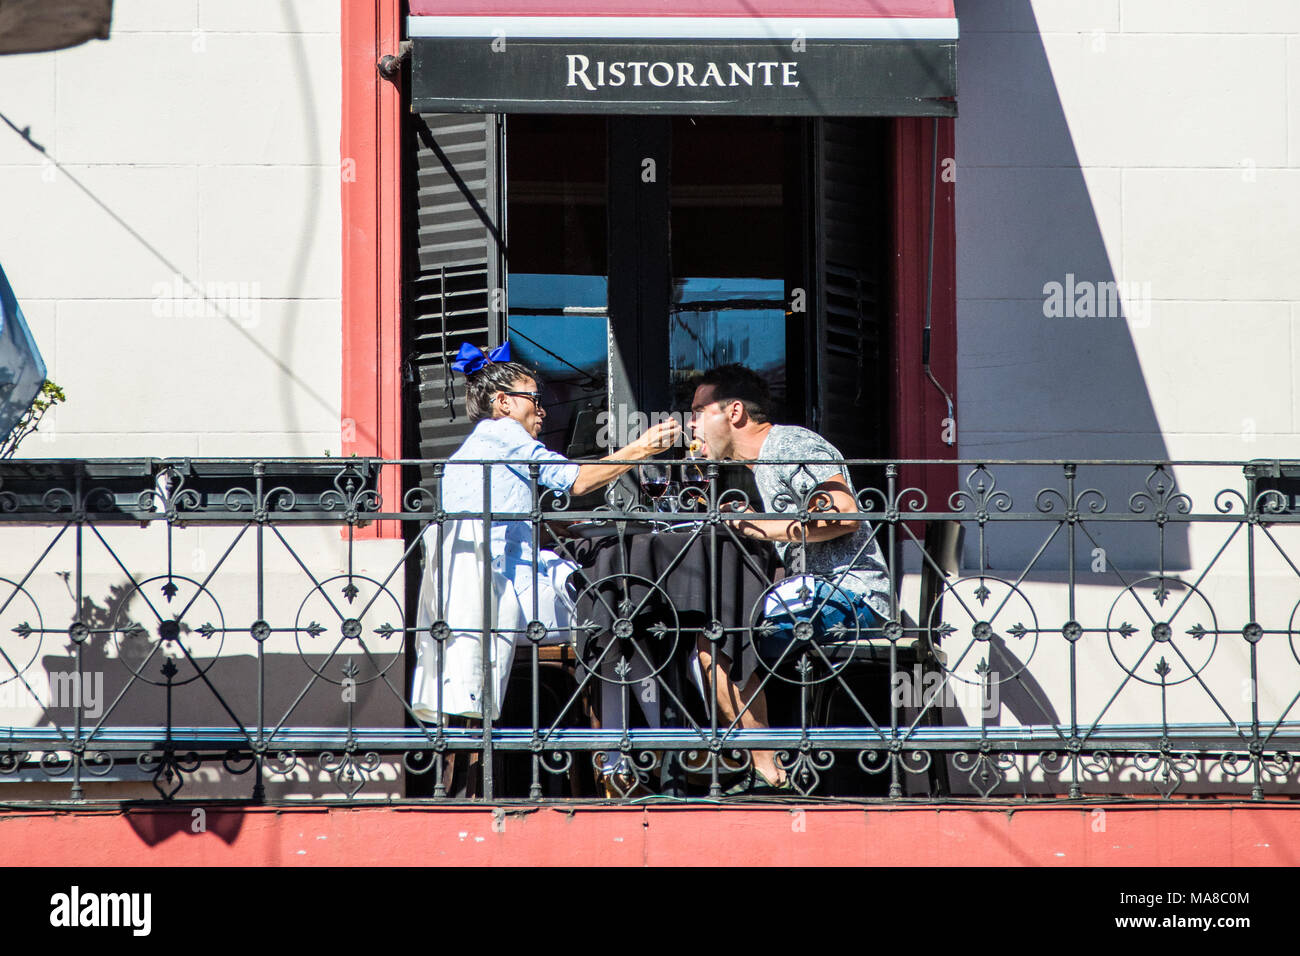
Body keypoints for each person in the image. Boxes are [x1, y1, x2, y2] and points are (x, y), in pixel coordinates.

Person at [686, 363, 891, 790]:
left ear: (734, 412)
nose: (690, 425)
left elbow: (843, 514)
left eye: (697, 412)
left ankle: (768, 768)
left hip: (853, 597)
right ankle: (767, 761)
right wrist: (756, 520)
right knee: (715, 639)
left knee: (722, 642)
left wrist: (760, 526)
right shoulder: (764, 461)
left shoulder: (788, 443)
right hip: (816, 597)